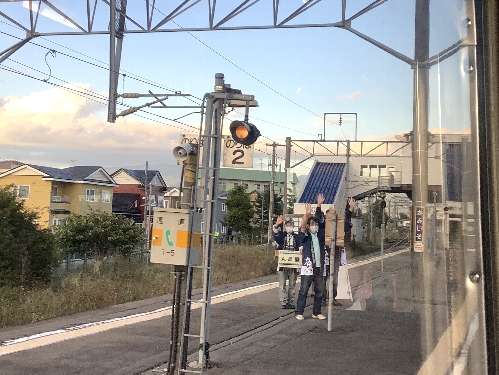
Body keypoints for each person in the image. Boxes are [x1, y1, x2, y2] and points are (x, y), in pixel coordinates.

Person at [295, 193, 327, 320]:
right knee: (304, 290)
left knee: (319, 291)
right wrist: (306, 215)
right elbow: (302, 227)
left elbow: (320, 218)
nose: (315, 225)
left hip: (319, 266)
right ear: (309, 225)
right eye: (312, 223)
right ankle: (299, 312)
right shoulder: (305, 236)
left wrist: (319, 205)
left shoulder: (320, 236)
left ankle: (316, 312)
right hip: (308, 267)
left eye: (316, 223)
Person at [273, 215, 300, 309]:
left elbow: (301, 246)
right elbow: (275, 235)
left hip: (294, 264)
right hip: (282, 264)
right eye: (287, 225)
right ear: (285, 226)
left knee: (292, 284)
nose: (289, 226)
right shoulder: (282, 235)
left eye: (291, 224)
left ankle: (291, 301)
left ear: (293, 225)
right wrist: (276, 225)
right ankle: (284, 302)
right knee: (282, 284)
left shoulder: (297, 237)